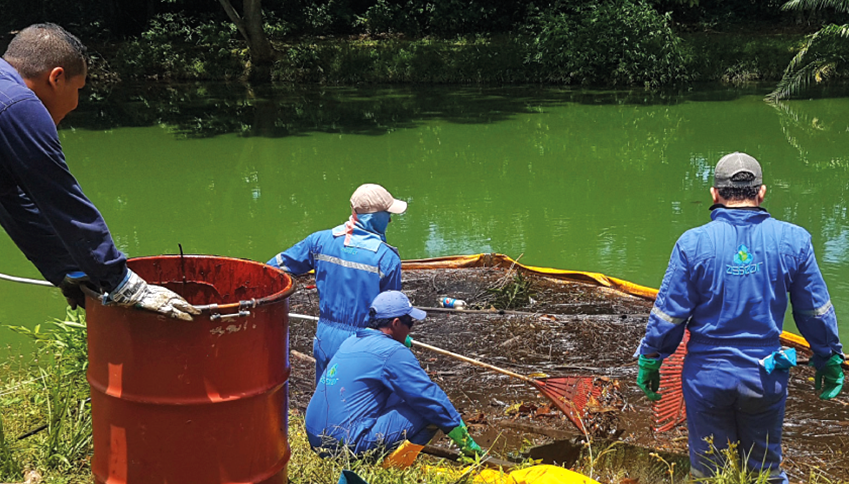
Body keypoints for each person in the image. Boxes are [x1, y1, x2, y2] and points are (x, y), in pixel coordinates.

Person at [635, 152, 844, 483]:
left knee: (709, 473)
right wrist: (828, 356)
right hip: (765, 376)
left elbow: (670, 314)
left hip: (706, 378)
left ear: (714, 194)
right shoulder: (794, 241)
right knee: (765, 470)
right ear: (761, 193)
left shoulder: (692, 244)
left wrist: (650, 357)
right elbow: (814, 311)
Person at [0, 24, 198, 320]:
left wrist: (69, 269)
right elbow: (61, 201)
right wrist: (123, 283)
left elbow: (13, 201)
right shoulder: (19, 105)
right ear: (56, 78)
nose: (77, 103)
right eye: (78, 89)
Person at [305, 290, 482, 458]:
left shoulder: (352, 340)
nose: (411, 330)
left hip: (314, 437)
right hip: (342, 445)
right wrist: (464, 439)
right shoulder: (392, 352)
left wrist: (398, 341)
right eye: (410, 324)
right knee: (430, 411)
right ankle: (391, 467)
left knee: (400, 394)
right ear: (396, 323)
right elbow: (430, 398)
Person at [267, 183, 405, 381]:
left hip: (325, 339)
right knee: (359, 405)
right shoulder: (386, 258)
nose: (390, 219)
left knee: (326, 399)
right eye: (387, 214)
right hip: (363, 345)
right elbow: (391, 316)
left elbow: (274, 270)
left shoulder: (320, 241)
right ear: (374, 217)